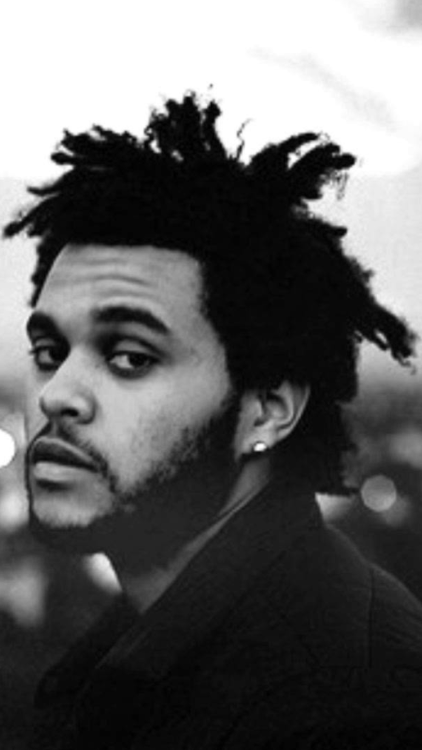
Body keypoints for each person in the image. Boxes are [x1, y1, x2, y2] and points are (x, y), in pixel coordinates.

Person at [5, 93, 422, 749]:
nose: (58, 395)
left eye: (131, 357)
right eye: (50, 352)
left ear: (268, 411)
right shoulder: (139, 654)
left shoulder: (343, 706)